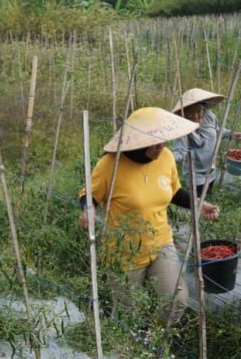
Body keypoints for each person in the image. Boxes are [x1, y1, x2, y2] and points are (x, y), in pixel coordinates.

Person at [77, 107, 221, 326]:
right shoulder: (110, 165)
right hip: (124, 251)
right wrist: (89, 209)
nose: (160, 147)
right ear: (137, 142)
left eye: (163, 141)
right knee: (128, 312)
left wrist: (199, 204)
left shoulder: (166, 157)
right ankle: (129, 344)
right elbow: (89, 194)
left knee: (176, 301)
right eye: (154, 142)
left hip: (160, 242)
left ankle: (155, 339)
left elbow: (172, 191)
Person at [170, 88, 241, 197]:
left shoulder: (209, 117)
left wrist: (232, 134)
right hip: (195, 175)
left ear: (203, 110)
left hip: (211, 170)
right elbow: (179, 152)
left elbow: (216, 131)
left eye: (198, 112)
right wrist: (168, 157)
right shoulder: (183, 130)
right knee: (201, 203)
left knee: (208, 198)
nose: (195, 116)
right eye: (190, 112)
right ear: (183, 113)